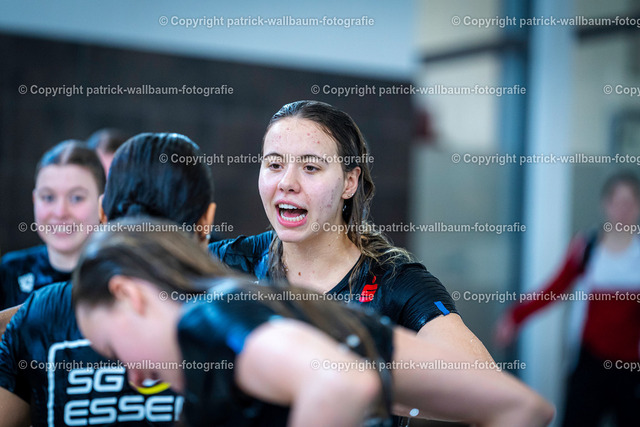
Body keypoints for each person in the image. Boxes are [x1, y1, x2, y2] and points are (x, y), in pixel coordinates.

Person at [73, 218, 555, 427]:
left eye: (114, 350)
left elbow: (340, 383)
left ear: (129, 295)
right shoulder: (273, 305)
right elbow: (524, 408)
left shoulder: (208, 319)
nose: (135, 376)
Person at [210, 100, 492, 361]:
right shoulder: (225, 264)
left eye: (310, 167)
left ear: (350, 182)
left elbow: (482, 379)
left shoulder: (396, 284)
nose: (287, 183)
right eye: (274, 164)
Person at [0, 133, 215, 426]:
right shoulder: (237, 322)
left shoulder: (41, 313)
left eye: (76, 197)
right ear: (207, 220)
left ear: (101, 212)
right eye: (49, 197)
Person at [495, 171, 640, 427]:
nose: (623, 211)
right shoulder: (588, 248)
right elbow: (554, 288)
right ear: (605, 205)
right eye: (617, 202)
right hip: (589, 362)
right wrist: (515, 317)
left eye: (629, 203)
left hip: (631, 368)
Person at [0, 140, 104, 310]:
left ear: (102, 204)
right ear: (35, 200)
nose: (60, 212)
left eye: (76, 198)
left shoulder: (121, 279)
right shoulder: (9, 273)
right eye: (48, 197)